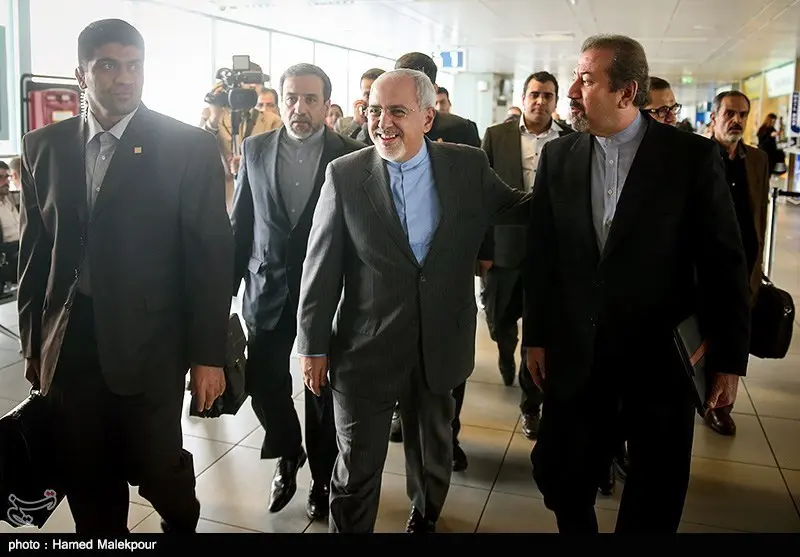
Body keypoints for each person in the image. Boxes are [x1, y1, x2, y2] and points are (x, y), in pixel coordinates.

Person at [522, 34, 751, 533]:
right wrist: (534, 336)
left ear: (627, 92)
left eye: (586, 80)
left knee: (655, 496)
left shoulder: (689, 158)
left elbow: (725, 263)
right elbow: (543, 257)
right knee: (561, 477)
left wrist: (729, 361)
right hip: (579, 355)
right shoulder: (559, 156)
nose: (572, 93)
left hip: (659, 363)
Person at [18, 18, 233, 534]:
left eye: (134, 65)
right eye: (108, 66)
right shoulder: (43, 147)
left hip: (153, 344)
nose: (124, 78)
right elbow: (34, 255)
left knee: (158, 469)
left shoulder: (187, 147)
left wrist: (208, 355)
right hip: (71, 344)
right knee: (88, 476)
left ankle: (181, 522)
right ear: (81, 75)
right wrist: (34, 345)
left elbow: (209, 257)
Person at [296, 69, 528, 533]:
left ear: (427, 117)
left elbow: (519, 208)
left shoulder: (467, 166)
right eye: (374, 111)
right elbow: (319, 268)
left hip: (440, 346)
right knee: (355, 467)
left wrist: (578, 170)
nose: (382, 123)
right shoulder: (345, 174)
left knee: (431, 456)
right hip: (365, 349)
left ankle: (425, 516)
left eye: (397, 112)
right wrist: (312, 346)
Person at [231, 63, 364, 520]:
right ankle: (289, 452)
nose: (299, 108)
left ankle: (323, 479)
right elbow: (241, 224)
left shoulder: (352, 156)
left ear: (327, 105)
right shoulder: (254, 149)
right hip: (266, 287)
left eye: (310, 99)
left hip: (327, 294)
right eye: (291, 98)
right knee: (263, 382)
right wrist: (223, 294)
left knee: (320, 392)